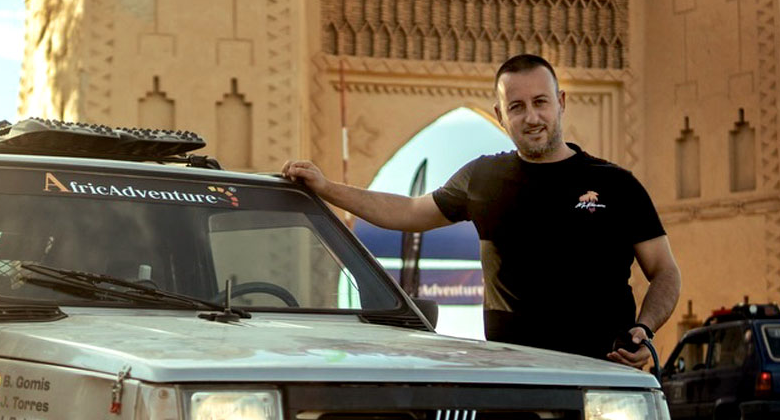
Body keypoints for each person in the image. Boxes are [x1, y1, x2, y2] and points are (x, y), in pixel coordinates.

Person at [282, 54, 681, 367]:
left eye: (541, 102)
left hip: (604, 372)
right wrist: (327, 188)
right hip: (514, 375)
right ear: (500, 114)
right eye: (517, 106)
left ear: (560, 103)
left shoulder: (616, 184)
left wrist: (644, 330)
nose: (532, 117)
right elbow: (406, 212)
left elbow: (664, 270)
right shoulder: (483, 179)